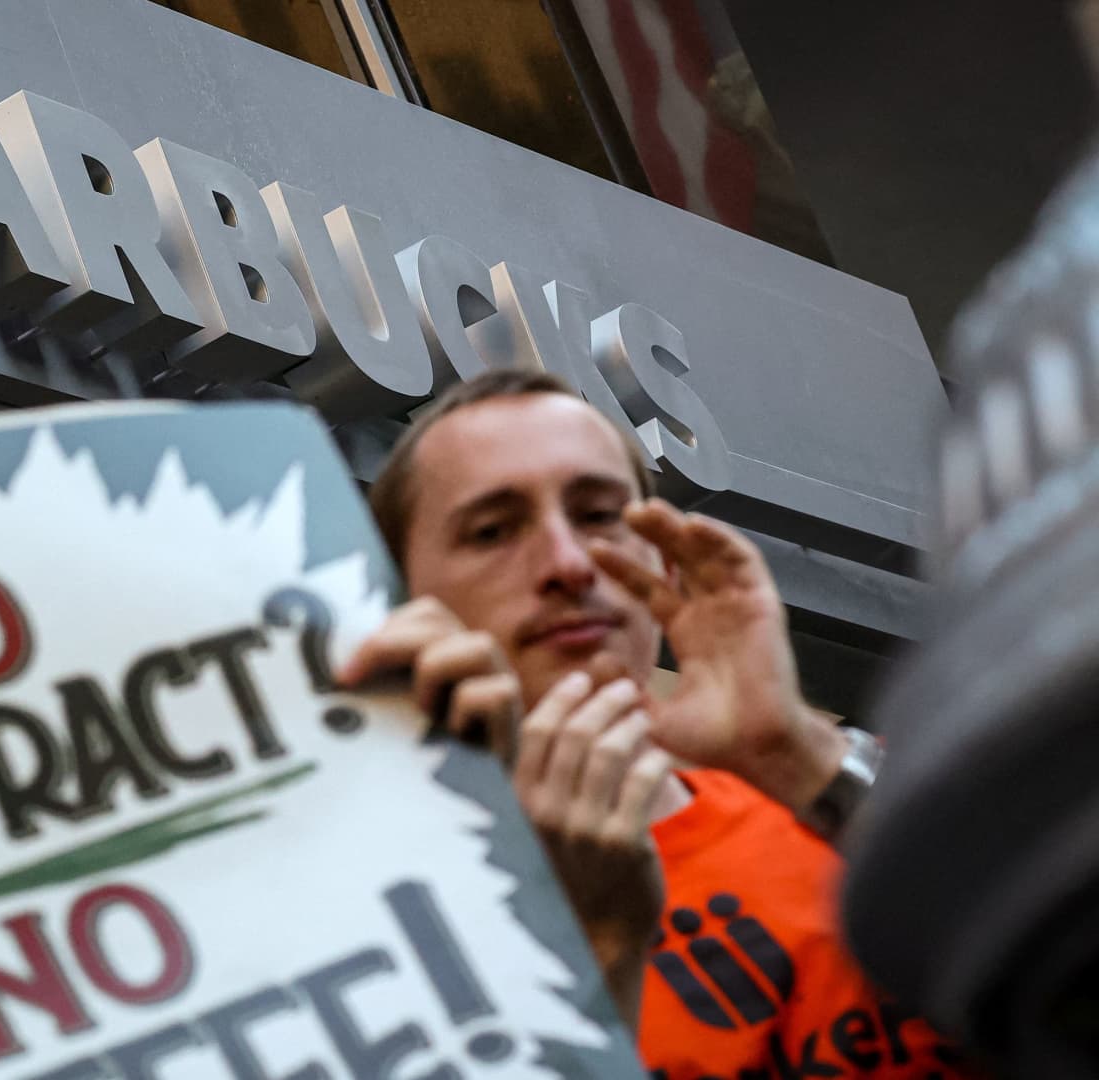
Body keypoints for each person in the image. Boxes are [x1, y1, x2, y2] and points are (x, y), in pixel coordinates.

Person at [339, 369, 973, 1077]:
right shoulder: (373, 943)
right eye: (492, 531)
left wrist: (795, 753)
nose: (570, 565)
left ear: (663, 563)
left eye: (599, 515)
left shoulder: (848, 791)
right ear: (402, 602)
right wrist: (600, 948)